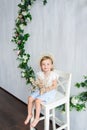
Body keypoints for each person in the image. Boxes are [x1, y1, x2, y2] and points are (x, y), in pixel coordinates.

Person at [24, 55, 59, 128]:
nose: (45, 66)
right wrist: (41, 88)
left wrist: (46, 89)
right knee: (30, 98)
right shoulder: (40, 74)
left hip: (50, 91)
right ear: (41, 66)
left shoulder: (53, 74)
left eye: (48, 64)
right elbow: (40, 84)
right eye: (43, 64)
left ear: (51, 65)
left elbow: (55, 86)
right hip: (42, 89)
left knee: (37, 100)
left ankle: (37, 118)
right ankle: (29, 114)